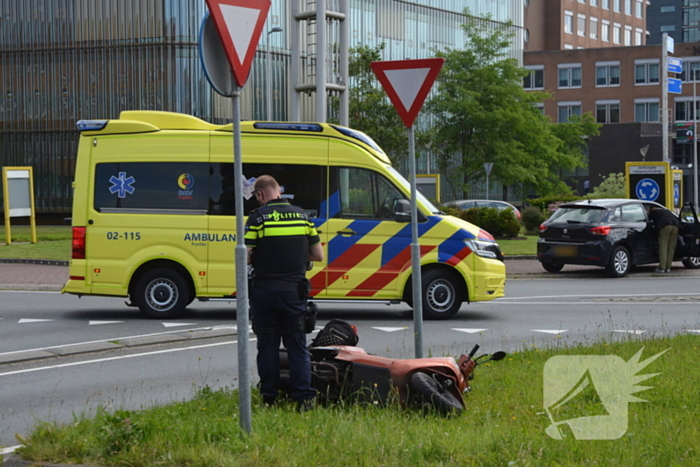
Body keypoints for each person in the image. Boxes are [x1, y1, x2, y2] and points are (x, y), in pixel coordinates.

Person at [244, 175, 324, 410]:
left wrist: (264, 257)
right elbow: (318, 255)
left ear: (260, 195)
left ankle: (269, 397)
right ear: (278, 192)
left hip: (265, 292)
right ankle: (304, 399)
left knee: (267, 345)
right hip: (293, 293)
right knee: (297, 345)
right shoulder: (303, 216)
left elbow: (246, 255)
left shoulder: (257, 219)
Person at [648, 205, 682, 273]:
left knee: (663, 247)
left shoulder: (654, 211)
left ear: (652, 208)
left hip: (665, 226)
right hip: (675, 226)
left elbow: (648, 219)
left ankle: (662, 268)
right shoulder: (666, 211)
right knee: (671, 248)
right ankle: (668, 267)